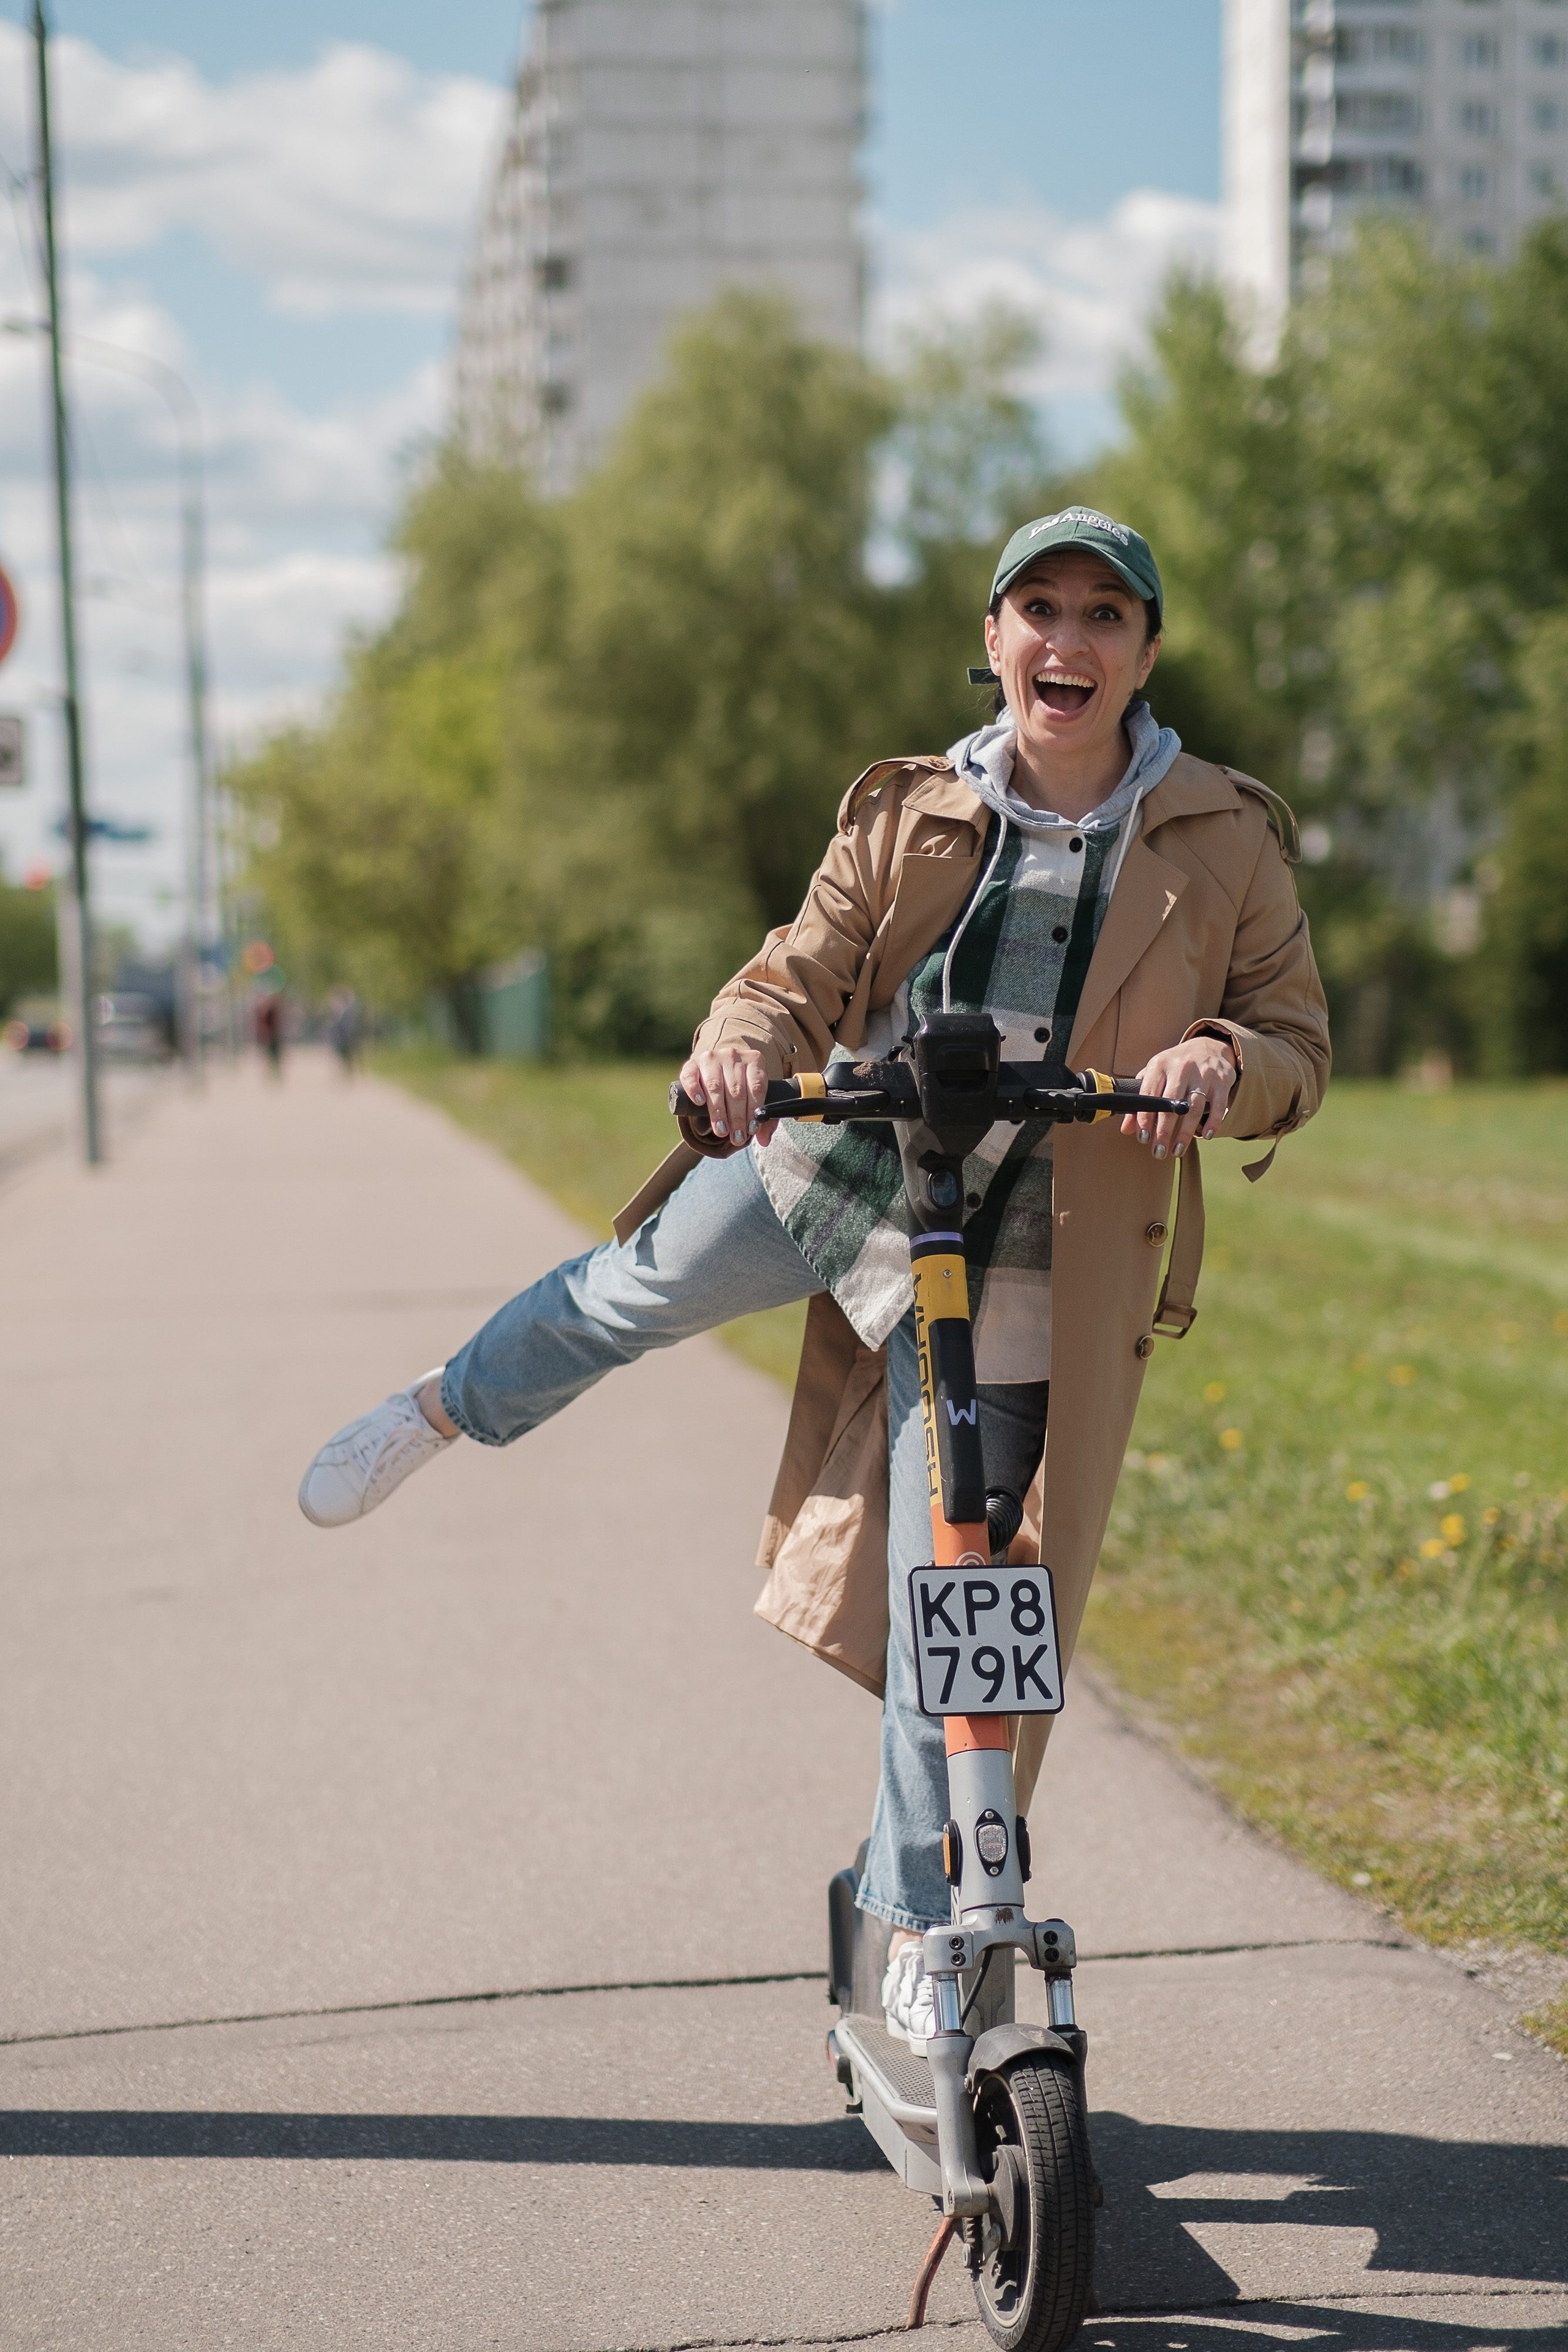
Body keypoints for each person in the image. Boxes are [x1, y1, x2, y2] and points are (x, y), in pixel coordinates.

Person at [297, 507, 1330, 2049]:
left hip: (1035, 1241)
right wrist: (737, 1049)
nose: (1067, 641)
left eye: (1103, 616)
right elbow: (790, 978)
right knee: (627, 1292)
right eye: (1038, 610)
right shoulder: (912, 810)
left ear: (1143, 653)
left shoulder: (1221, 835)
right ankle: (444, 1407)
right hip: (850, 1163)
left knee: (955, 1588)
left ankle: (916, 1918)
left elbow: (1294, 1039)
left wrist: (1221, 1059)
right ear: (993, 639)